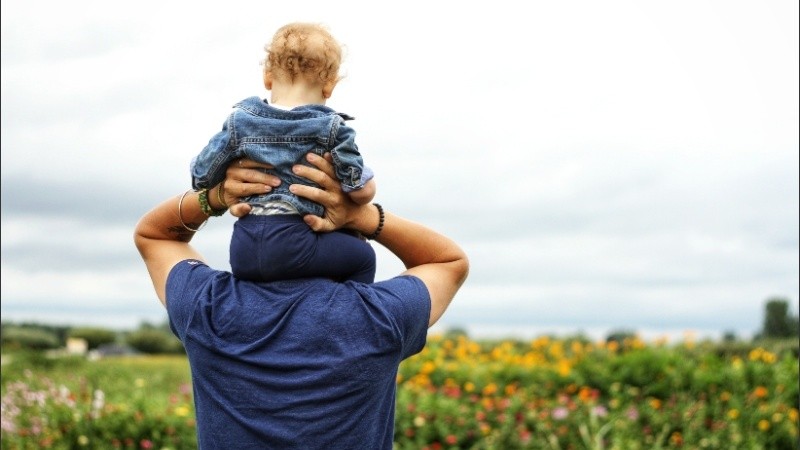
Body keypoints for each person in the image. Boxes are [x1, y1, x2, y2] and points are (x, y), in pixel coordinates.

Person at [133, 153, 469, 449]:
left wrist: (216, 196)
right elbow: (447, 261)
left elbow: (155, 235)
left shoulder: (208, 307)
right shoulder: (380, 317)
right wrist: (362, 215)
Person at [190, 22, 377, 283]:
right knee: (363, 257)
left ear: (267, 77)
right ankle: (347, 307)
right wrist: (367, 187)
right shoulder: (332, 128)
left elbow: (201, 176)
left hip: (243, 248)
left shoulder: (239, 122)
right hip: (296, 242)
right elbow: (357, 190)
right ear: (329, 86)